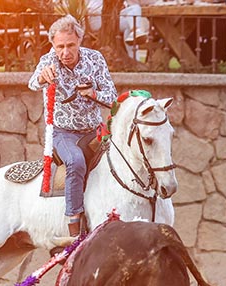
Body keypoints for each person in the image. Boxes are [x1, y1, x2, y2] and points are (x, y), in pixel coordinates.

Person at [29, 14, 117, 238]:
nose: (65, 52)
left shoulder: (95, 59)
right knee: (75, 161)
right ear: (53, 45)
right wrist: (41, 77)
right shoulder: (48, 61)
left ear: (80, 40)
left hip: (94, 132)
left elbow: (112, 98)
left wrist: (93, 94)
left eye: (70, 45)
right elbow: (31, 83)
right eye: (60, 47)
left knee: (122, 158)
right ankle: (74, 224)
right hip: (62, 133)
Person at [86, 0, 152, 60]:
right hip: (99, 19)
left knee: (135, 8)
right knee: (128, 24)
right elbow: (91, 9)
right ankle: (134, 57)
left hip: (114, 15)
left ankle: (135, 31)